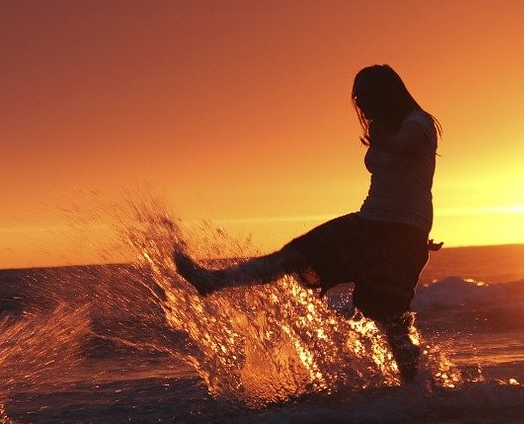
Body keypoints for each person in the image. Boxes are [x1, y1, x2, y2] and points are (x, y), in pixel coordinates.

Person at [173, 64, 440, 381]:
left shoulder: (418, 123)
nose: (361, 103)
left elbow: (404, 145)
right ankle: (214, 281)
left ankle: (413, 393)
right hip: (372, 221)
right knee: (296, 255)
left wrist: (382, 139)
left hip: (400, 229)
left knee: (391, 314)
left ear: (387, 94)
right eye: (358, 96)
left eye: (366, 95)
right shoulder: (387, 128)